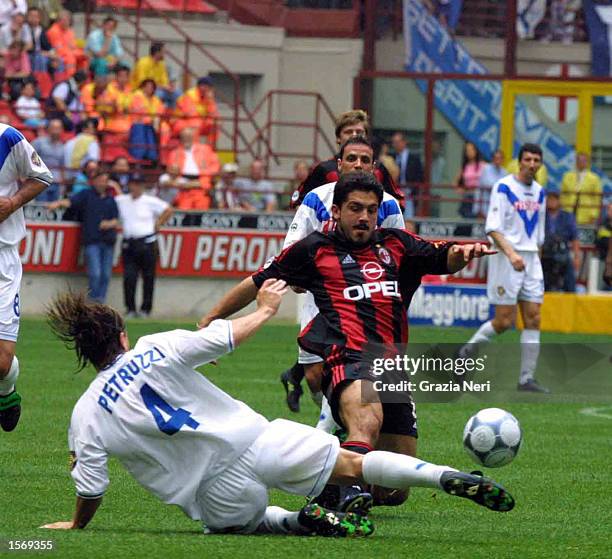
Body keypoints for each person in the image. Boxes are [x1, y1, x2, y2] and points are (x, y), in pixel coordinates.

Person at [41, 286, 514, 535]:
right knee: (352, 464)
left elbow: (91, 486)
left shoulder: (86, 413)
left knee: (249, 522)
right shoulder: (156, 346)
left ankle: (296, 521)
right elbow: (224, 337)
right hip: (255, 439)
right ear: (122, 336)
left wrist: (78, 523)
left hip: (212, 493)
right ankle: (445, 475)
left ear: (85, 352)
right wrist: (266, 309)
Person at [201, 172, 495, 512]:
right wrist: (210, 320)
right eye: (356, 208)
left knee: (393, 491)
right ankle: (346, 491)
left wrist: (464, 253)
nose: (365, 217)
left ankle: (330, 483)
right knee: (366, 422)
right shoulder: (313, 250)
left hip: (392, 366)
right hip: (348, 358)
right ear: (337, 211)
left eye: (371, 210)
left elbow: (445, 257)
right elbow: (256, 281)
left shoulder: (397, 244)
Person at [278, 136, 404, 422]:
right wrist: (295, 275)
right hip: (319, 298)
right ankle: (343, 419)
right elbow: (292, 246)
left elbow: (400, 254)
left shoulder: (389, 205)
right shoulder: (316, 199)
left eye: (364, 160)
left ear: (373, 167)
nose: (358, 164)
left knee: (349, 369)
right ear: (339, 164)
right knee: (313, 376)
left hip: (366, 302)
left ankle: (335, 431)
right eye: (351, 159)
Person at [458, 143, 549, 393]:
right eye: (528, 159)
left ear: (540, 164)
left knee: (534, 317)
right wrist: (511, 254)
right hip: (507, 258)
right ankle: (466, 352)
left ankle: (526, 379)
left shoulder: (541, 193)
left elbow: (539, 235)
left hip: (531, 259)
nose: (532, 164)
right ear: (519, 162)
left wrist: (535, 262)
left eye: (536, 160)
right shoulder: (504, 187)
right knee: (504, 321)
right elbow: (493, 228)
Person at [0, 123, 53, 432]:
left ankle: (6, 391)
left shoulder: (8, 137)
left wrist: (13, 202)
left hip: (2, 256)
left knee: (3, 363)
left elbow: (42, 176)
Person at [292, 110, 404, 210]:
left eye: (359, 132)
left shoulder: (379, 169)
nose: (354, 136)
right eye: (349, 132)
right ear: (338, 138)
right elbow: (299, 203)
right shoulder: (324, 169)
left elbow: (398, 202)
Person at [47, 171, 119, 303]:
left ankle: (100, 301)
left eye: (105, 180)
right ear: (95, 181)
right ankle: (94, 302)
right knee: (95, 273)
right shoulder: (87, 195)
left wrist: (109, 224)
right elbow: (71, 202)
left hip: (108, 241)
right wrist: (57, 204)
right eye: (101, 180)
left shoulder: (111, 199)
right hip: (92, 241)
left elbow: (116, 220)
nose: (103, 183)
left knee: (106, 275)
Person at [116, 180, 172, 318]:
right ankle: (130, 308)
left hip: (147, 242)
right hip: (129, 242)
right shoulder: (122, 200)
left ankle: (146, 309)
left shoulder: (150, 200)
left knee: (148, 277)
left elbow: (168, 209)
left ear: (142, 186)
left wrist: (159, 223)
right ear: (130, 186)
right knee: (129, 277)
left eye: (138, 185)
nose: (135, 187)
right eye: (133, 184)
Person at [166, 127, 220, 210]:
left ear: (194, 137)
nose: (186, 139)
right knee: (184, 211)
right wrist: (181, 182)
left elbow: (215, 167)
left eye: (189, 136)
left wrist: (201, 182)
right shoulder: (174, 153)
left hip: (201, 184)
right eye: (184, 136)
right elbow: (171, 171)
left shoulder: (205, 150)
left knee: (201, 210)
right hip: (182, 187)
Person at [542, 191, 580, 292]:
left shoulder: (567, 216)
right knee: (542, 278)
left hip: (562, 252)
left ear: (559, 201)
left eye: (554, 199)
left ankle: (571, 296)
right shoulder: (541, 215)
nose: (551, 202)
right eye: (549, 199)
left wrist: (576, 257)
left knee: (569, 277)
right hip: (545, 253)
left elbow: (575, 238)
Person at [174, 75, 219, 146]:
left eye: (210, 87)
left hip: (198, 122)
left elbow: (214, 116)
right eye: (207, 86)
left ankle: (209, 150)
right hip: (180, 122)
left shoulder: (208, 97)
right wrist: (205, 118)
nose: (209, 89)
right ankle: (195, 151)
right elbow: (190, 114)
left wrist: (210, 102)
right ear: (200, 86)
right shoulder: (190, 95)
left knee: (215, 125)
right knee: (195, 123)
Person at [560, 152, 602, 225]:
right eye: (579, 160)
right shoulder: (567, 176)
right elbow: (563, 195)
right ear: (576, 162)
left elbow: (597, 199)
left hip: (587, 214)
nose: (581, 162)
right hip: (569, 212)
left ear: (587, 162)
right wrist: (563, 211)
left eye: (583, 160)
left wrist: (594, 214)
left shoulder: (594, 178)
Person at [391, 131, 423, 218]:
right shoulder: (392, 157)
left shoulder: (414, 158)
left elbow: (420, 176)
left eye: (397, 142)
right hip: (395, 193)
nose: (395, 145)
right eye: (393, 142)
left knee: (408, 218)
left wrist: (413, 189)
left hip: (409, 194)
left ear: (404, 142)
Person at [32, 118, 64, 201]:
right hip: (41, 181)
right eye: (53, 128)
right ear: (48, 129)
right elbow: (29, 158)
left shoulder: (63, 146)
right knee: (41, 209)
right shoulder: (38, 142)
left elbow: (62, 166)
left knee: (53, 210)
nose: (55, 131)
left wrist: (63, 184)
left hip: (56, 182)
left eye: (58, 128)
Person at [46, 9, 84, 77]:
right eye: (64, 20)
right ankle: (70, 79)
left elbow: (73, 46)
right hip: (57, 55)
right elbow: (59, 49)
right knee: (70, 57)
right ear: (58, 21)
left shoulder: (69, 31)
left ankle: (83, 80)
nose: (66, 22)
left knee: (84, 56)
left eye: (68, 20)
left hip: (70, 52)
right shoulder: (54, 31)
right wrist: (71, 50)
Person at [453, 141, 485, 219]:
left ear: (476, 151)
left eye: (471, 150)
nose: (469, 153)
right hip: (468, 195)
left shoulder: (483, 165)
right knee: (466, 218)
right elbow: (455, 182)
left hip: (480, 195)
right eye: (467, 151)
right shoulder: (465, 166)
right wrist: (461, 189)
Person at [476, 148, 506, 218]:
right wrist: (500, 188)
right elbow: (488, 184)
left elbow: (506, 187)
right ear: (492, 159)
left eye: (500, 158)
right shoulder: (486, 168)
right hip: (484, 205)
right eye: (496, 158)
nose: (498, 161)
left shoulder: (504, 172)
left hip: (498, 207)